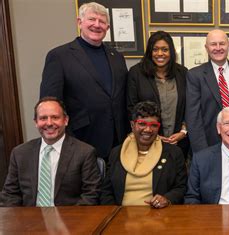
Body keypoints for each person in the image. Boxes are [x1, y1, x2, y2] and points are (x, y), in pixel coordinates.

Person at [40, 2, 129, 160]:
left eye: (101, 21)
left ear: (107, 28)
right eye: (92, 19)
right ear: (79, 22)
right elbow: (50, 103)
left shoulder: (117, 57)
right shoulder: (59, 56)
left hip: (119, 141)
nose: (97, 25)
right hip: (80, 140)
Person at [0, 97, 100, 206]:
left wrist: (72, 221)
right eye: (43, 118)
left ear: (65, 120)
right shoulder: (20, 153)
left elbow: (91, 195)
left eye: (55, 117)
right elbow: (10, 195)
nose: (49, 123)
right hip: (29, 219)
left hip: (69, 219)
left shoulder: (84, 152)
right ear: (36, 122)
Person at [100, 101, 187, 208]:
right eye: (142, 124)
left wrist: (167, 199)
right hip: (120, 217)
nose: (148, 130)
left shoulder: (173, 153)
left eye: (154, 125)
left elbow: (181, 187)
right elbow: (106, 191)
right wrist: (115, 214)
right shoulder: (116, 153)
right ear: (132, 125)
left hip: (159, 217)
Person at [127, 31, 189, 156]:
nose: (160, 54)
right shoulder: (136, 73)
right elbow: (131, 107)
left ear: (171, 52)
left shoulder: (183, 73)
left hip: (178, 142)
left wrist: (183, 131)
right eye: (155, 49)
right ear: (150, 51)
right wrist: (152, 134)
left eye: (165, 49)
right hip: (146, 141)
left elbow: (189, 105)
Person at [186, 29, 229, 153]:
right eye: (213, 44)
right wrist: (201, 152)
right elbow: (193, 118)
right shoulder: (195, 75)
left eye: (222, 43)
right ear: (206, 47)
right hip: (208, 144)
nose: (218, 48)